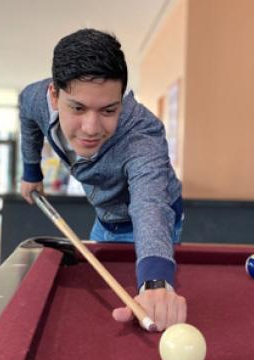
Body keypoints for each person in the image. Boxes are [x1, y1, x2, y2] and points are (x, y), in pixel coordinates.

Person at [19, 28, 186, 331]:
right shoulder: (35, 98)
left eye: (108, 110)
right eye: (78, 108)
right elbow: (27, 115)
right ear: (54, 96)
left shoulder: (143, 136)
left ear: (121, 99)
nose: (91, 127)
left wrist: (156, 281)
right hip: (106, 216)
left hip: (150, 215)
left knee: (136, 293)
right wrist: (32, 171)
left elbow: (149, 205)